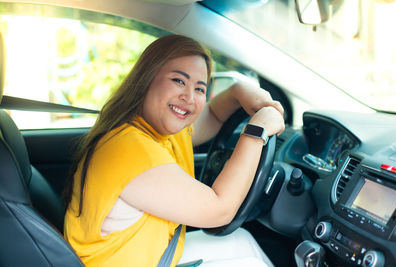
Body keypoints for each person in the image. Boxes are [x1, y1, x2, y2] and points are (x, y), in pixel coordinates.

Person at [63, 34, 285, 267]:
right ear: (146, 80)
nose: (189, 97)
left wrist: (240, 90)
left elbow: (214, 114)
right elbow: (220, 209)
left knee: (242, 241)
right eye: (179, 81)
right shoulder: (130, 150)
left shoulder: (154, 132)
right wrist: (256, 132)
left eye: (200, 88)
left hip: (147, 257)